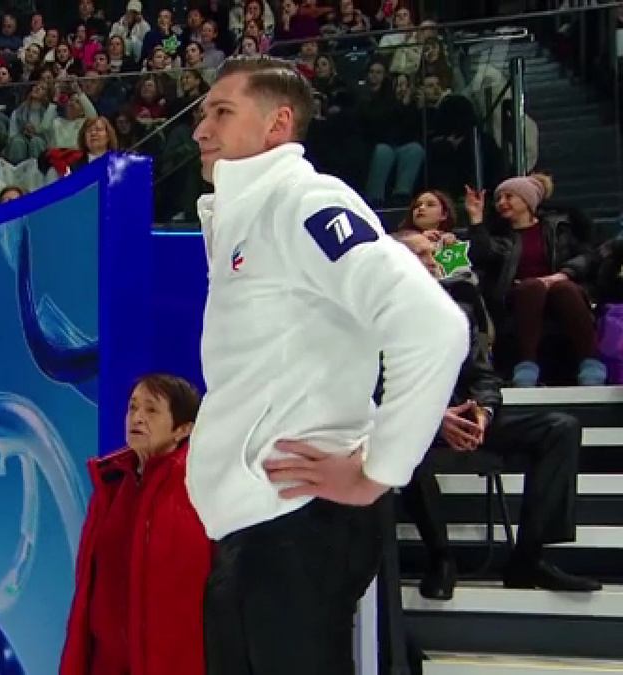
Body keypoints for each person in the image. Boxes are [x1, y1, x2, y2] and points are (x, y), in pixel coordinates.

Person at [189, 55, 469, 675]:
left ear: (277, 124)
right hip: (249, 529)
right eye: (205, 113)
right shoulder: (241, 218)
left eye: (221, 112)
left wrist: (378, 471)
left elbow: (435, 326)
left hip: (296, 526)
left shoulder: (302, 199)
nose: (200, 129)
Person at [393, 231, 601, 599]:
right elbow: (376, 389)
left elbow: (483, 376)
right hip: (411, 421)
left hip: (467, 415)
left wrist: (483, 411)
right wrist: (435, 416)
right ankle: (441, 557)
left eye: (432, 255)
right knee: (409, 444)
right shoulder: (376, 317)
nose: (432, 261)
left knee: (560, 428)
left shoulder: (456, 311)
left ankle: (529, 557)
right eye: (421, 254)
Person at [60, 374, 211, 675]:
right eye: (132, 408)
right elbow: (87, 597)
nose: (137, 417)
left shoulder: (202, 488)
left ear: (183, 429)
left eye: (151, 410)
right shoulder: (110, 487)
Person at [465, 176, 606, 387]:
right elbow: (483, 254)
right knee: (532, 287)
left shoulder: (561, 226)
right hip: (518, 293)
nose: (502, 202)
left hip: (560, 287)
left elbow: (589, 256)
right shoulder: (500, 234)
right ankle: (526, 366)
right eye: (499, 198)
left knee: (564, 288)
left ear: (528, 200)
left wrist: (563, 273)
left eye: (509, 196)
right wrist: (476, 219)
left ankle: (591, 364)